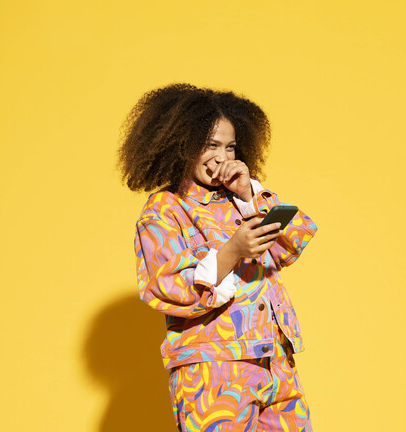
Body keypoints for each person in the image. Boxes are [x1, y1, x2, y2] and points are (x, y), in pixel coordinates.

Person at [117, 83, 318, 431]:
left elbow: (294, 239)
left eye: (230, 147)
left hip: (276, 364)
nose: (222, 157)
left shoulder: (240, 197)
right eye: (211, 145)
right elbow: (166, 287)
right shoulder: (163, 210)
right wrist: (233, 251)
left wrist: (248, 194)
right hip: (213, 372)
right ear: (183, 144)